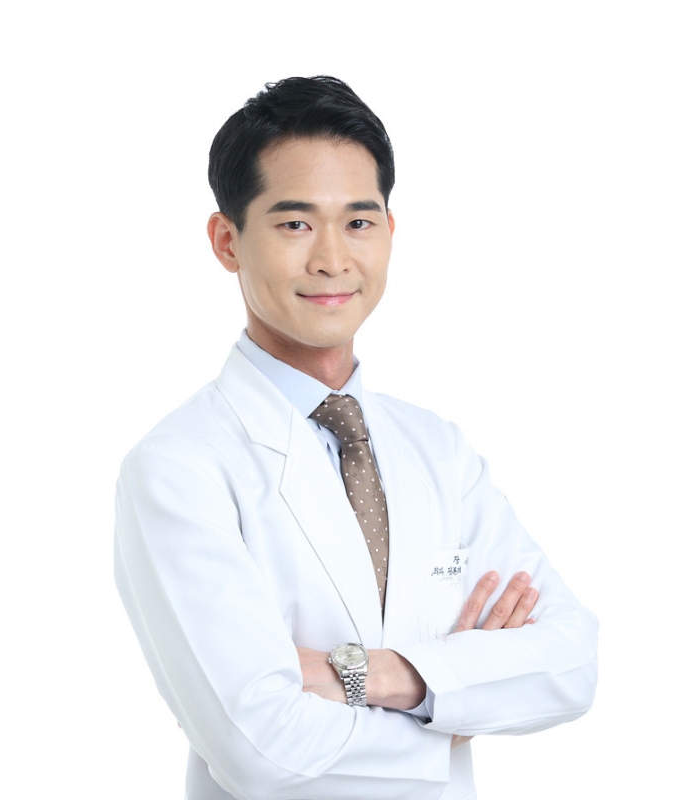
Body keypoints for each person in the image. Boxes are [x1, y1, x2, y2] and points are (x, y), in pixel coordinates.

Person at [114, 75, 598, 800]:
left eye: (359, 223)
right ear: (226, 240)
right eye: (295, 224)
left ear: (390, 232)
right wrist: (454, 707)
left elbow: (572, 664)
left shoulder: (438, 451)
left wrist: (368, 675)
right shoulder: (178, 468)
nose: (333, 260)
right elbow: (259, 748)